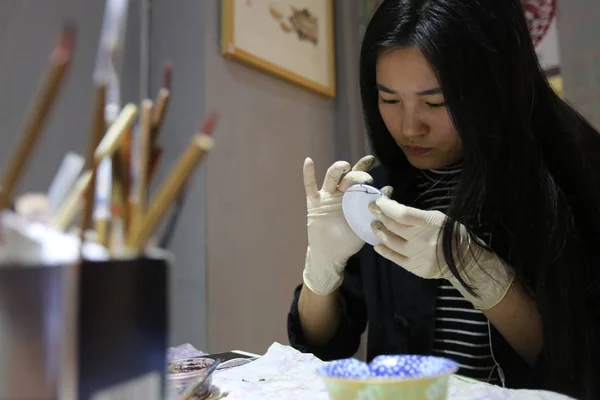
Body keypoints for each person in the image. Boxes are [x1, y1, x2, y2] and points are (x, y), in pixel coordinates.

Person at [286, 0, 600, 398]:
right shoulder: (382, 191)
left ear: (495, 84)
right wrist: (321, 271)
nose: (409, 127)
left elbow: (579, 367)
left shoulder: (573, 175)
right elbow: (324, 345)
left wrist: (483, 277)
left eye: (435, 102)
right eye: (389, 100)